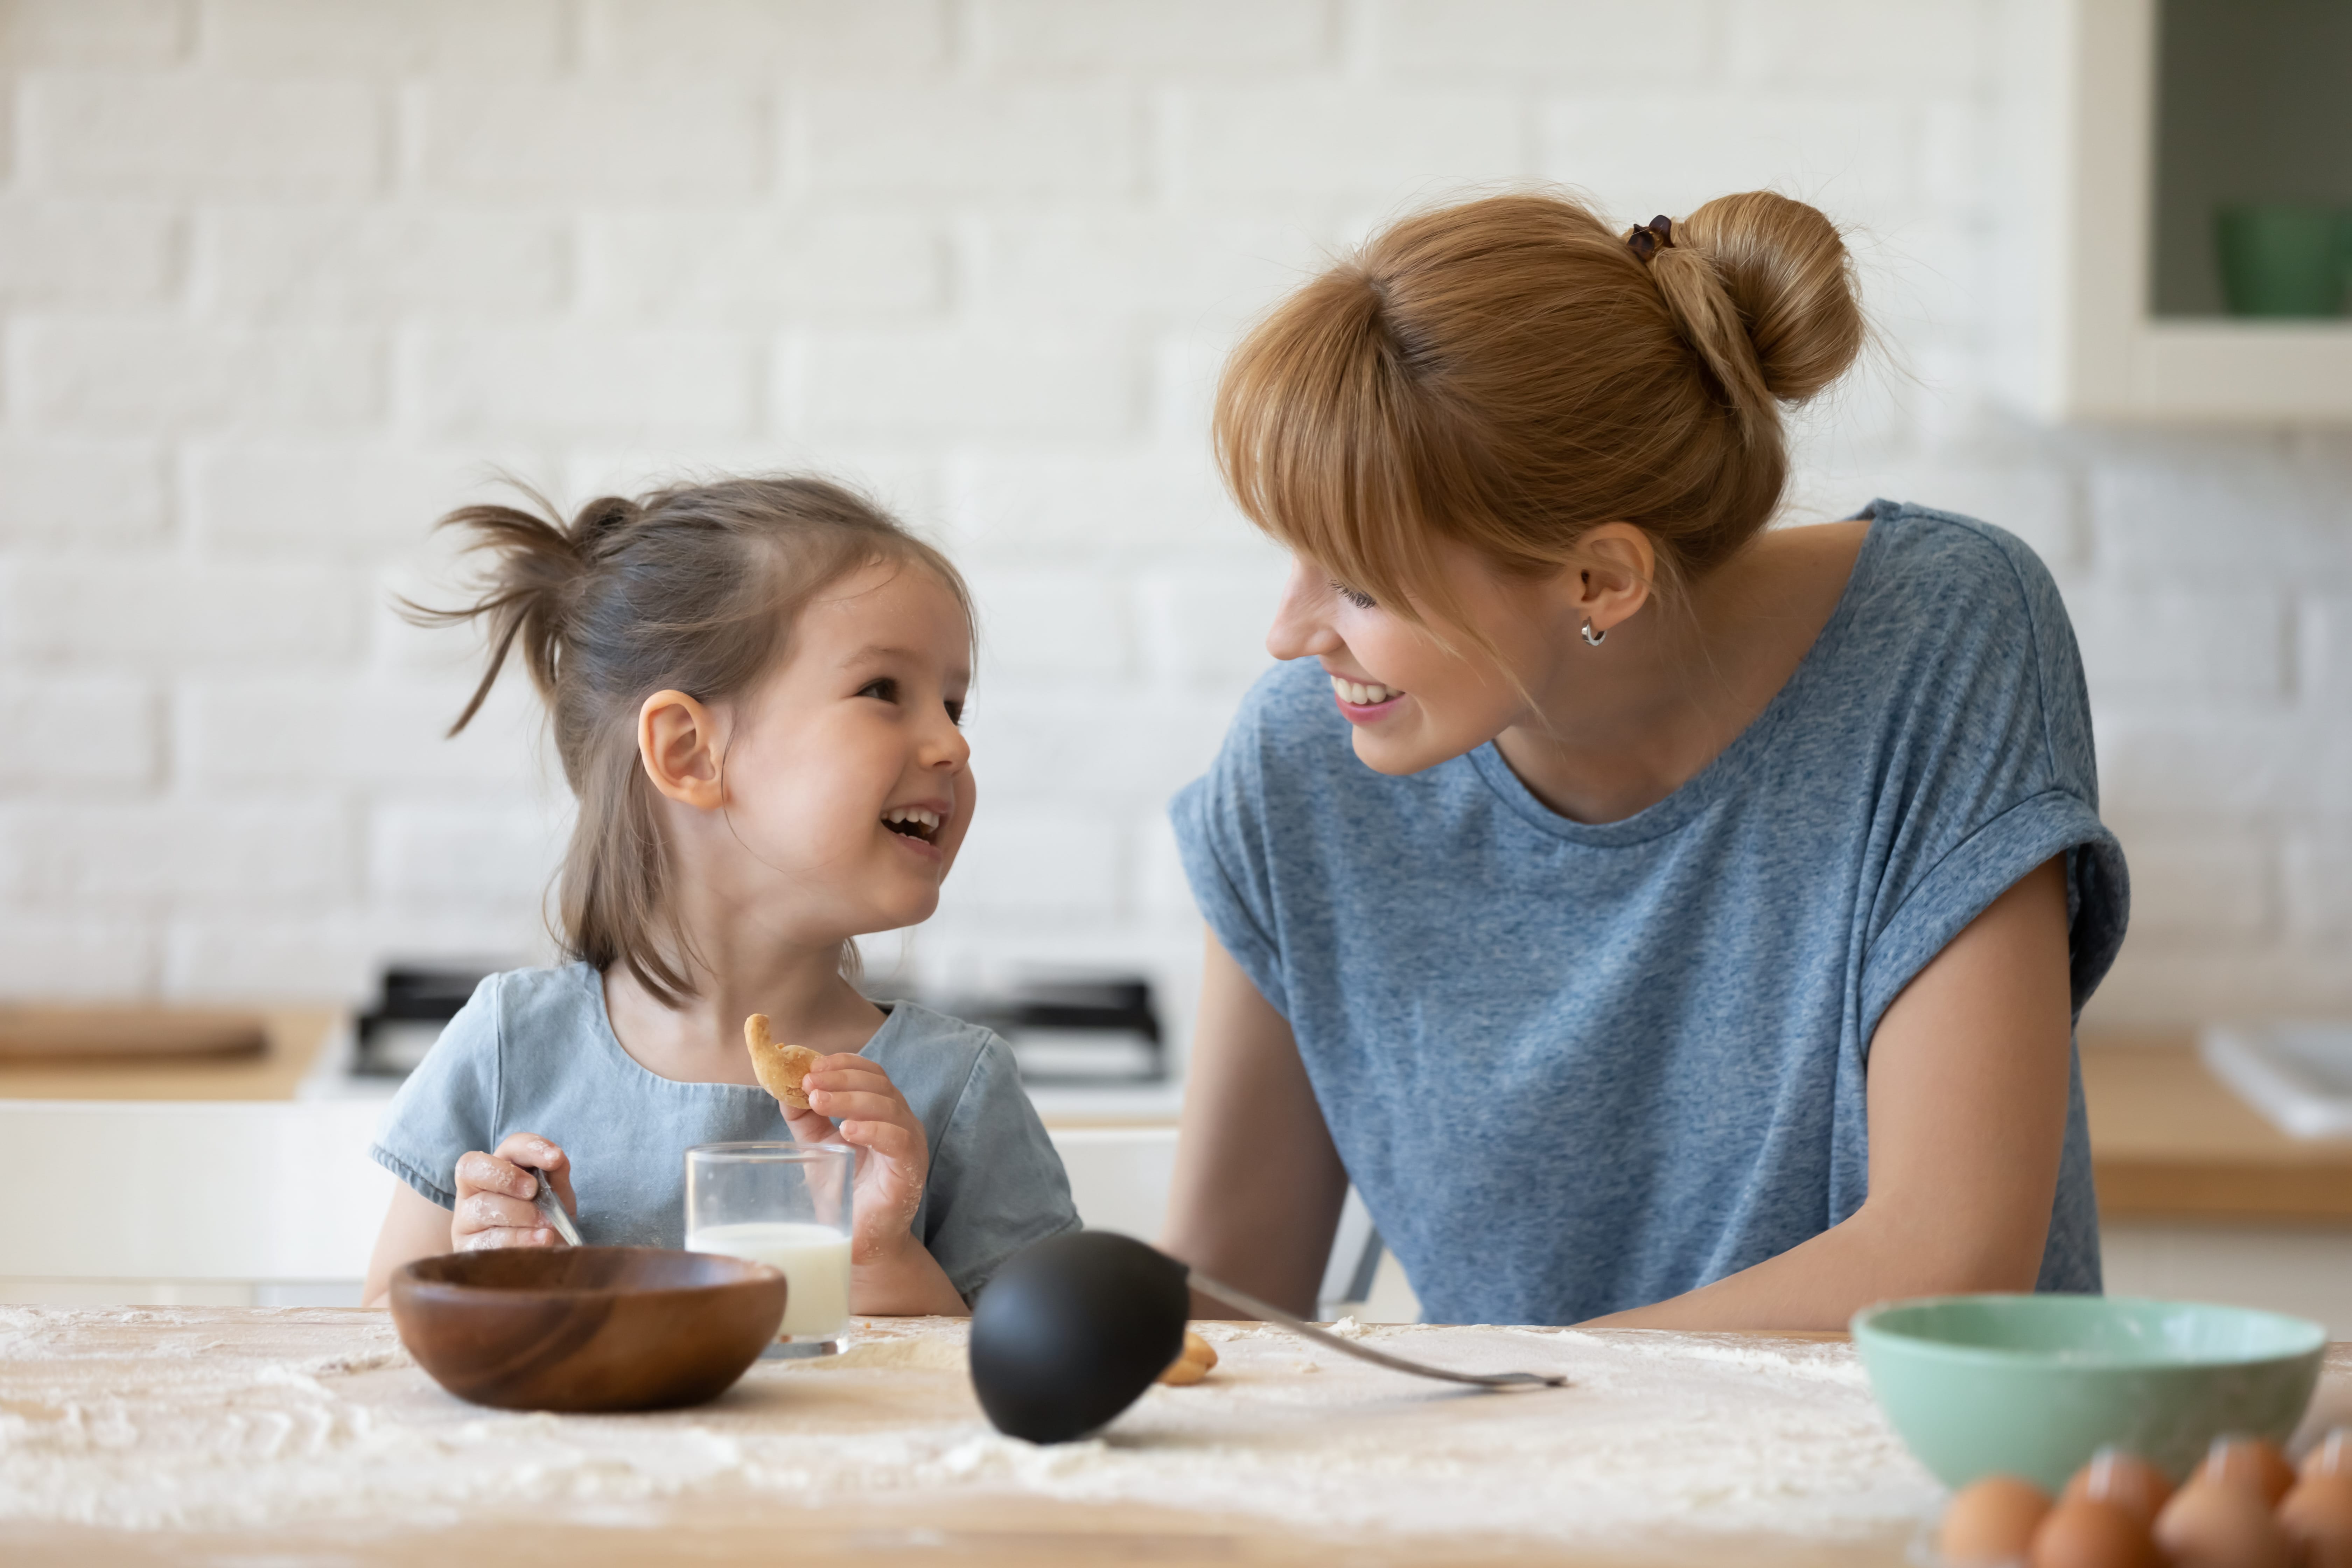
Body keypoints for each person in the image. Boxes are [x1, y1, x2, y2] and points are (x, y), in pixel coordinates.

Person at [1161, 191, 2129, 1330]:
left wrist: (1499, 1407)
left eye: (1363, 585)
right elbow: (1229, 1290)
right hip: (1507, 1495)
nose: (1289, 635)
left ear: (1602, 579)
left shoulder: (1944, 635)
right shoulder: (1305, 759)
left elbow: (1948, 1256)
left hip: (1923, 1497)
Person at [360, 476, 1078, 1311]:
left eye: (954, 705)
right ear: (690, 753)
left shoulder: (955, 1088)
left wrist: (879, 1256)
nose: (952, 742)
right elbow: (380, 1335)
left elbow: (1045, 1371)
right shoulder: (507, 1047)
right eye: (884, 690)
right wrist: (485, 1276)